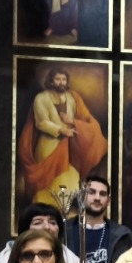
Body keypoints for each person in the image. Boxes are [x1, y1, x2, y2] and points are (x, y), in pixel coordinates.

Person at [16, 67, 107, 212]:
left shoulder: (71, 98)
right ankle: (45, 209)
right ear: (51, 81)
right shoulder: (41, 98)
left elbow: (86, 120)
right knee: (48, 180)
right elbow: (41, 122)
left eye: (64, 79)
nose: (61, 82)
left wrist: (72, 122)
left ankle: (62, 211)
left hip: (67, 146)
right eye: (58, 79)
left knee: (71, 178)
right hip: (48, 146)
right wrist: (61, 130)